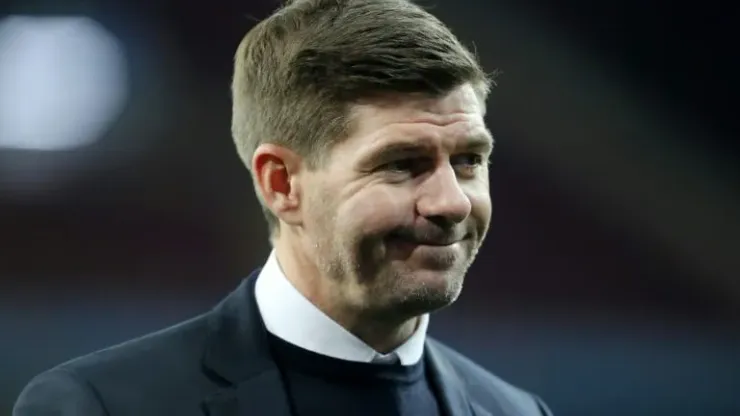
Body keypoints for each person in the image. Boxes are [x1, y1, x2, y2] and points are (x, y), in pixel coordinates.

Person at [13, 0, 553, 415]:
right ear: (281, 183)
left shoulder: (519, 412)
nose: (451, 202)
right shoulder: (99, 405)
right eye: (401, 164)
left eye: (468, 160)